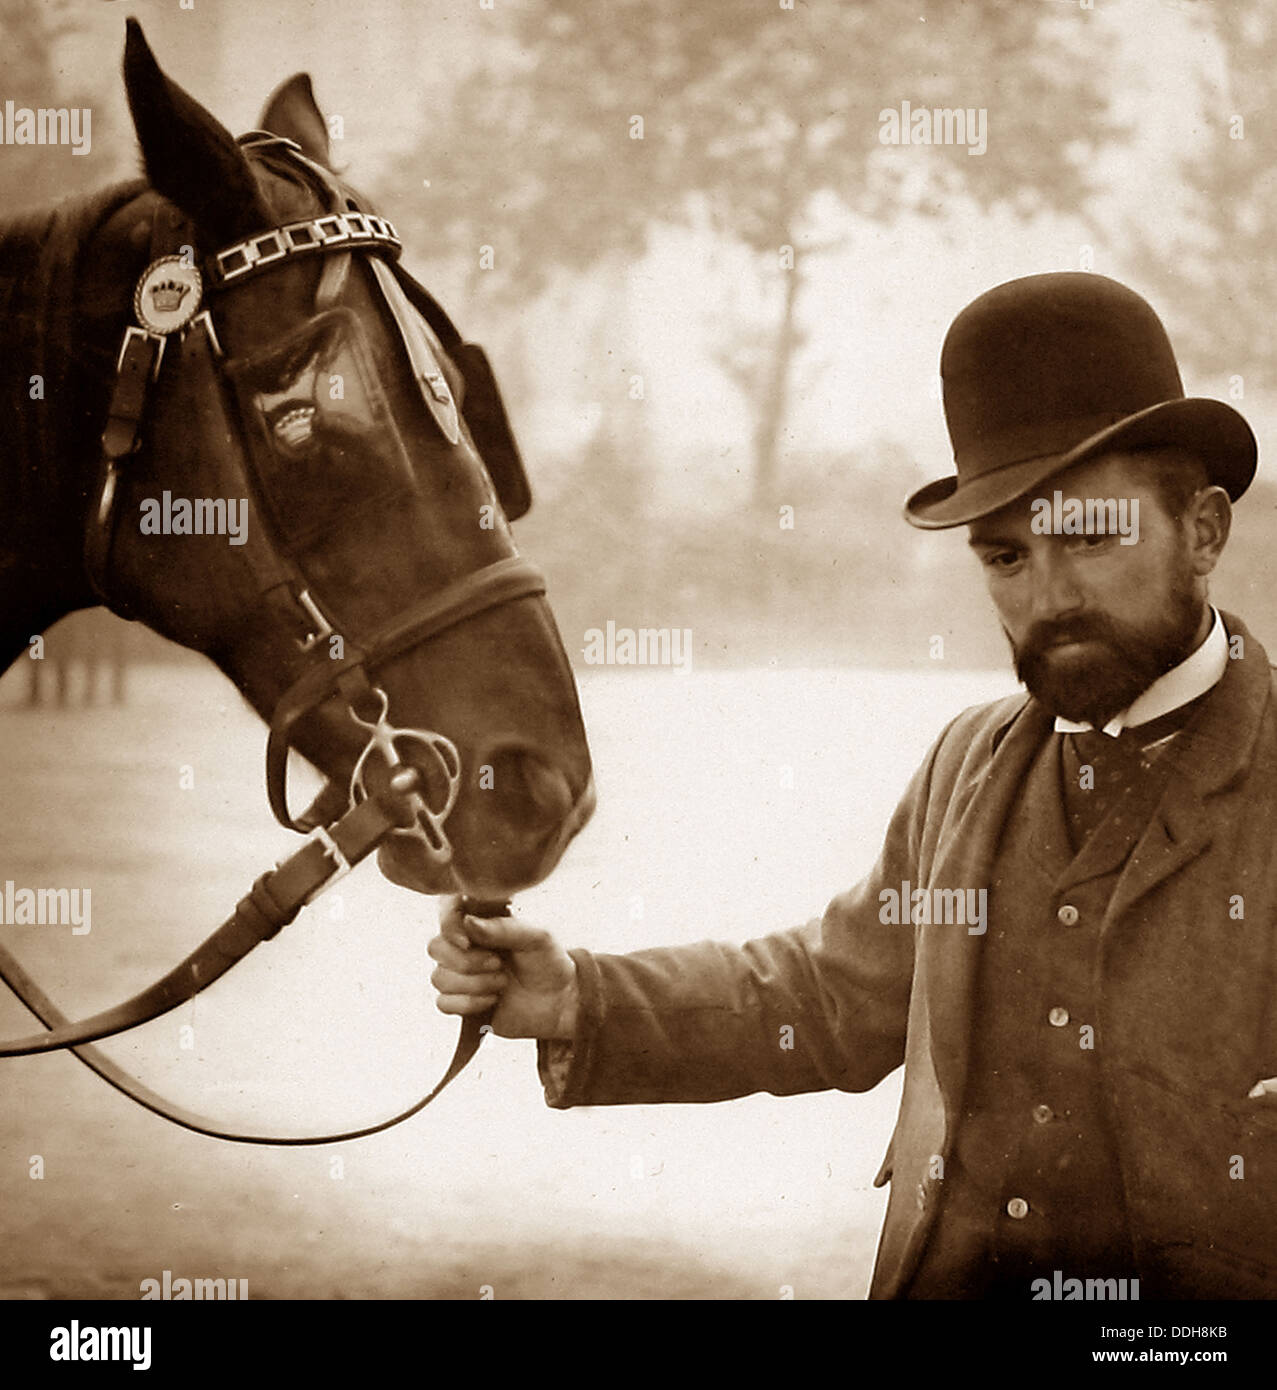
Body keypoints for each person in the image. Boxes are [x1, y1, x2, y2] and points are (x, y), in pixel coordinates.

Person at [427, 272, 1277, 1299]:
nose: (1045, 598)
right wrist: (581, 998)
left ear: (1202, 532)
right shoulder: (968, 767)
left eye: (1090, 537)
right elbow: (828, 994)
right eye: (1003, 556)